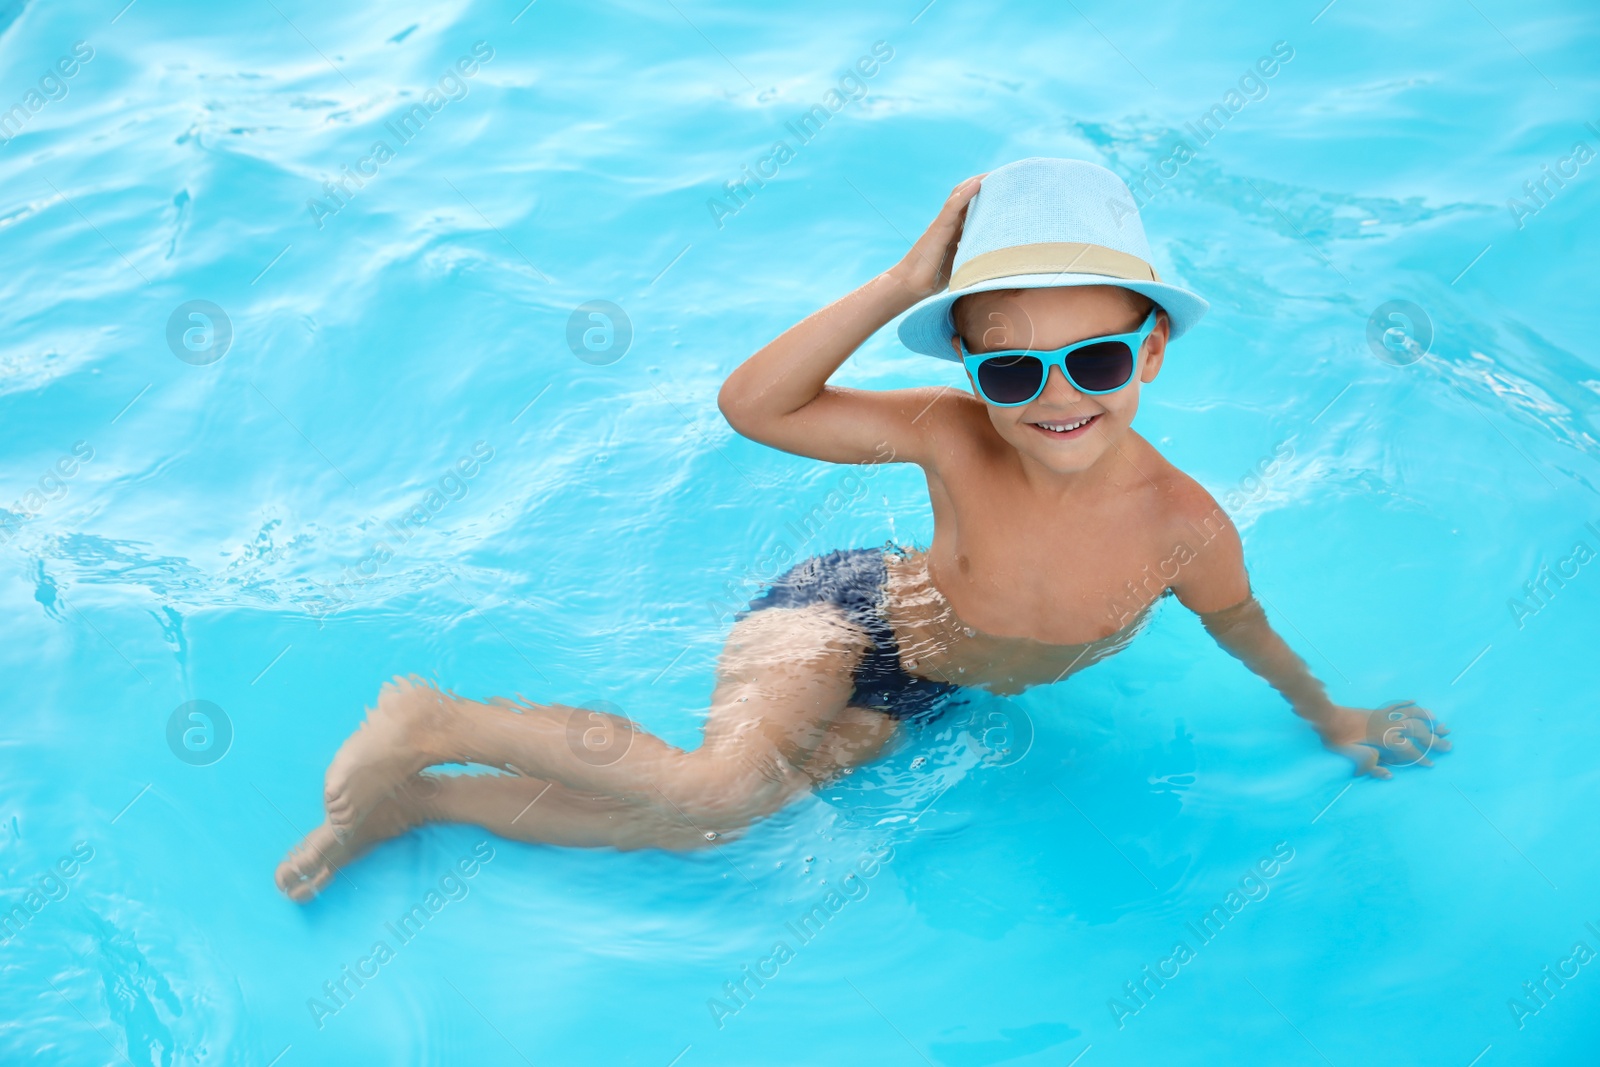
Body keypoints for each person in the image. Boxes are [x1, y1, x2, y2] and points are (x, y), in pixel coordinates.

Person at [276, 157, 1448, 902]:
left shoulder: (1186, 525)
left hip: (930, 693)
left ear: (1146, 352)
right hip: (842, 614)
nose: (1056, 396)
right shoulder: (954, 433)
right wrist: (898, 286)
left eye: (1092, 359)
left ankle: (418, 802)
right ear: (972, 370)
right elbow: (755, 405)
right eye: (1013, 367)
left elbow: (1245, 628)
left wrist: (1327, 711)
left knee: (699, 838)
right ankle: (432, 718)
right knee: (716, 794)